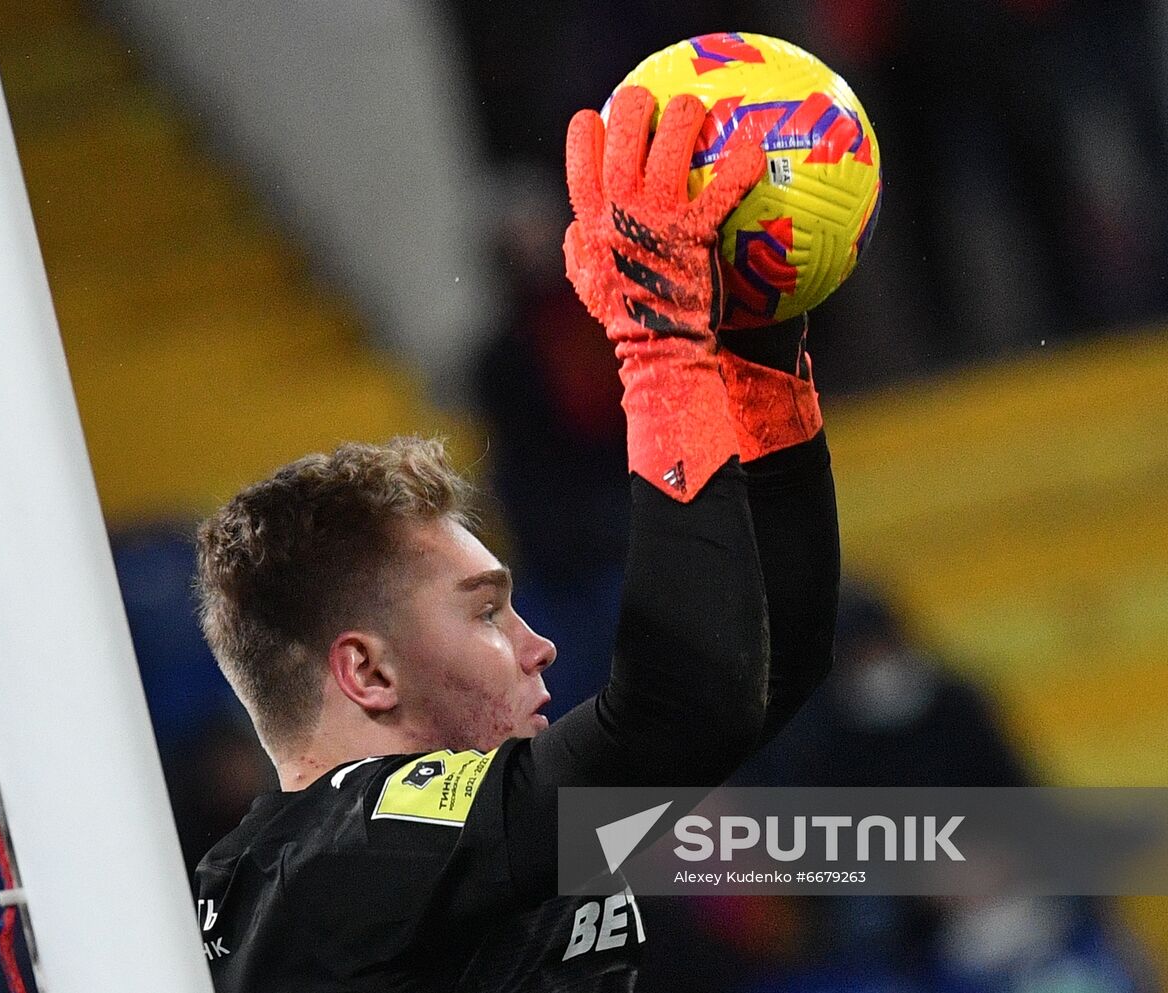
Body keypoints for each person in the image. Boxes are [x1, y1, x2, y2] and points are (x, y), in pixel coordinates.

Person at [191, 86, 842, 992]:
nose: (538, 644)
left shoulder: (474, 851)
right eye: (487, 612)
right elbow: (681, 710)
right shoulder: (335, 861)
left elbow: (771, 662)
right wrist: (661, 348)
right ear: (367, 673)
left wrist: (762, 364)